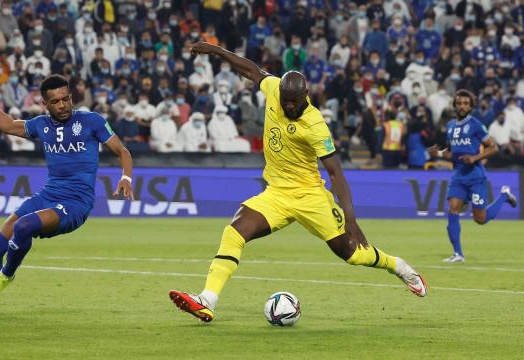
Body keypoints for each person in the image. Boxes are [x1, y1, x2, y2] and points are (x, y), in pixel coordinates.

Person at [169, 42, 428, 323]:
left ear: (306, 96)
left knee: (351, 254)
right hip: (277, 193)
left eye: (294, 101)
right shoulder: (274, 89)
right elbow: (251, 69)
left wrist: (351, 218)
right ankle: (207, 300)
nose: (288, 105)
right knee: (234, 232)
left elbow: (336, 173)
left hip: (311, 196)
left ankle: (399, 266)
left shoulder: (315, 124)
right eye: (285, 100)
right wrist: (216, 51)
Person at [0, 74, 134, 315]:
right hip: (48, 195)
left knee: (24, 226)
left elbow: (122, 151)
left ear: (71, 98)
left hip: (76, 203)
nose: (62, 105)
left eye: (65, 99)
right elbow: (6, 124)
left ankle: (6, 275)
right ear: (45, 104)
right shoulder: (41, 125)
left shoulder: (92, 121)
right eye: (55, 101)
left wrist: (126, 177)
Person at [427, 89, 517, 263]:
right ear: (455, 105)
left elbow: (493, 147)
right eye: (459, 103)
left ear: (470, 107)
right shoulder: (451, 127)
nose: (462, 106)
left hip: (476, 178)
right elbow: (451, 153)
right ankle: (458, 254)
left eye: (466, 104)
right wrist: (437, 154)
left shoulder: (476, 124)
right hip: (458, 177)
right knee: (453, 209)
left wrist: (474, 158)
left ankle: (504, 195)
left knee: (480, 219)